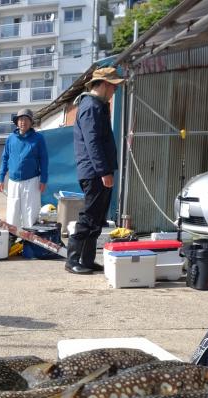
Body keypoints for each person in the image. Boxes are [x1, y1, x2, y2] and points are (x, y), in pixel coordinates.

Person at [66, 66, 124, 275]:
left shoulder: (98, 105)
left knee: (98, 218)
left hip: (98, 170)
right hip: (94, 172)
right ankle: (72, 260)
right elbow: (93, 143)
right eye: (114, 86)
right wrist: (103, 171)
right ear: (106, 84)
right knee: (90, 216)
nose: (115, 91)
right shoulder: (90, 106)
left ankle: (87, 259)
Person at [0, 108, 48, 229]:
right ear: (17, 122)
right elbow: (5, 158)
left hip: (32, 181)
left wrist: (43, 180)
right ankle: (13, 240)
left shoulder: (38, 138)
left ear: (31, 122)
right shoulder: (10, 138)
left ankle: (31, 242)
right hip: (13, 181)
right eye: (20, 119)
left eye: (26, 119)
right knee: (12, 212)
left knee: (31, 212)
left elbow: (44, 160)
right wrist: (1, 178)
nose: (23, 122)